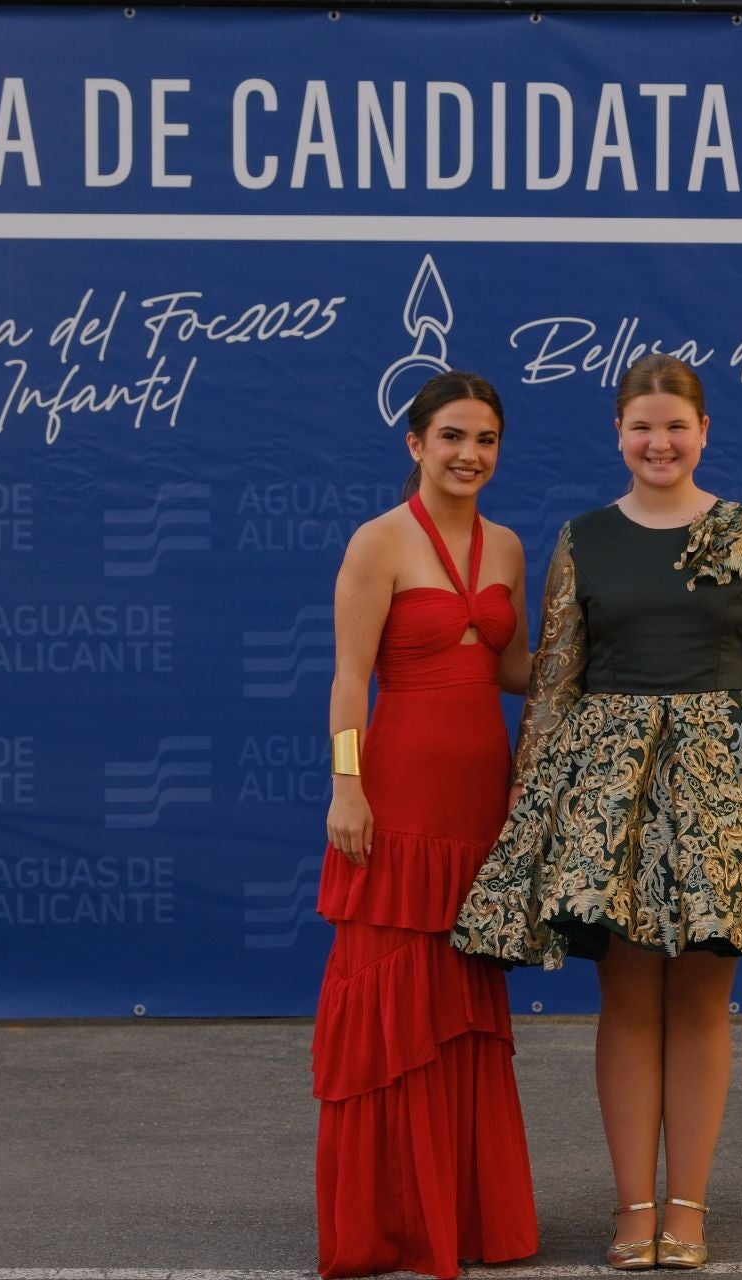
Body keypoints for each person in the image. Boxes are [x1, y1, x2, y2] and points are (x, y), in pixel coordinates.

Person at [453, 353, 742, 1270]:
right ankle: (631, 1206)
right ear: (618, 433)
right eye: (642, 426)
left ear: (704, 434)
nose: (659, 442)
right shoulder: (582, 539)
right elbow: (557, 683)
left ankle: (686, 1208)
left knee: (699, 1002)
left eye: (676, 427)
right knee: (625, 1002)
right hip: (608, 795)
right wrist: (530, 812)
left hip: (725, 791)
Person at [312, 371, 538, 1279]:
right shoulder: (379, 542)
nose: (468, 455)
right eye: (451, 437)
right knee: (391, 1001)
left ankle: (467, 1216)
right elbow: (346, 678)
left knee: (463, 1010)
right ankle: (392, 1223)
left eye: (484, 440)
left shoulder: (512, 548)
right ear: (415, 444)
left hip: (482, 802)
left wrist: (613, 643)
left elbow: (515, 669)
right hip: (397, 797)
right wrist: (347, 787)